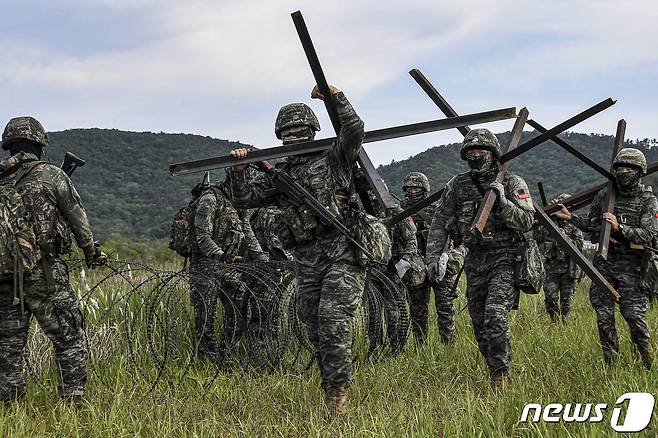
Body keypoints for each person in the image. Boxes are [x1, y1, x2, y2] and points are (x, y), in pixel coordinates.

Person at [228, 84, 365, 415]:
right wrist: (238, 173)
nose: (294, 135)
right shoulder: (280, 175)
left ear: (313, 129)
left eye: (300, 129)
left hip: (343, 252)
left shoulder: (335, 158)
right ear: (280, 136)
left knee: (332, 320)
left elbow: (354, 130)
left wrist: (335, 98)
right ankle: (331, 382)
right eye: (288, 132)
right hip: (306, 258)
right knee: (313, 325)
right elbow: (242, 199)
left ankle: (337, 392)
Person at [0, 116, 105, 403]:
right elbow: (78, 221)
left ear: (8, 145)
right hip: (45, 273)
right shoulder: (51, 175)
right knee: (68, 338)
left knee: (8, 347)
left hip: (5, 276)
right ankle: (73, 401)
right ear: (39, 143)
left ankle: (9, 405)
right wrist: (91, 253)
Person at [426, 128, 535, 390]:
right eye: (471, 152)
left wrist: (504, 203)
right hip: (475, 261)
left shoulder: (512, 182)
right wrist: (433, 256)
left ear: (492, 153)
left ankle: (500, 375)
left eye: (481, 151)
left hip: (505, 258)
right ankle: (493, 365)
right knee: (478, 322)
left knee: (495, 315)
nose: (476, 156)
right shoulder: (458, 185)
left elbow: (529, 221)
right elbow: (440, 222)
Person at [554, 148, 656, 369]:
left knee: (634, 318)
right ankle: (611, 365)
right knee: (604, 317)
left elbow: (648, 235)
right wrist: (571, 218)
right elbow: (592, 224)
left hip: (633, 267)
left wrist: (620, 228)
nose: (623, 172)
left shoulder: (647, 200)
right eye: (620, 168)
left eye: (629, 168)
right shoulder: (604, 195)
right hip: (605, 265)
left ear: (639, 171)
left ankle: (649, 363)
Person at [400, 172, 466, 345]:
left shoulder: (438, 207)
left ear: (424, 189)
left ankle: (449, 347)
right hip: (415, 264)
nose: (413, 192)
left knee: (445, 308)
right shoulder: (401, 209)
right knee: (417, 309)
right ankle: (420, 346)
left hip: (438, 262)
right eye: (410, 188)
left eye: (416, 188)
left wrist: (446, 256)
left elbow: (452, 234)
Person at [533, 193, 583, 323]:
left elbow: (580, 245)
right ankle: (554, 321)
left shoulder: (574, 224)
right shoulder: (548, 223)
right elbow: (536, 238)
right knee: (550, 298)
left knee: (566, 301)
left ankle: (564, 324)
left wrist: (566, 237)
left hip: (569, 270)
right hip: (551, 269)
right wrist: (543, 220)